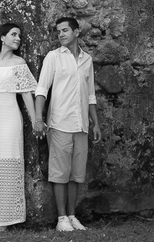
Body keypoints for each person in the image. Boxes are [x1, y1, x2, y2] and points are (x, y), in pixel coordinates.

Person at [34, 16, 100, 232]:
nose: (61, 34)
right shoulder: (53, 57)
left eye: (65, 30)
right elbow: (42, 90)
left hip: (81, 125)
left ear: (76, 32)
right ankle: (61, 218)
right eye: (58, 31)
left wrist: (95, 123)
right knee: (59, 173)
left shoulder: (87, 60)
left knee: (76, 174)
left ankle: (72, 216)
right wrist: (38, 118)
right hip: (60, 122)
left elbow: (90, 95)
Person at [0, 21, 44, 231]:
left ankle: (5, 220)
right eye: (13, 34)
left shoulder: (19, 63)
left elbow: (26, 93)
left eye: (19, 35)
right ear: (2, 37)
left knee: (8, 164)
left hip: (10, 118)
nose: (17, 38)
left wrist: (36, 119)